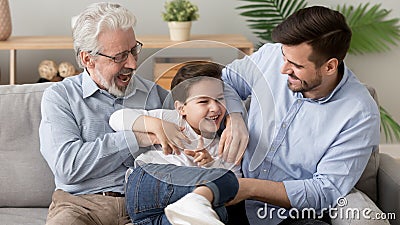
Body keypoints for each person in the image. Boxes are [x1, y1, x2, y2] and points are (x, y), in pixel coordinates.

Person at [39, 2, 247, 225]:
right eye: (119, 56)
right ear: (88, 59)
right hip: (79, 206)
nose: (132, 63)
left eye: (134, 50)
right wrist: (138, 136)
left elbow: (201, 113)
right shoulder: (60, 97)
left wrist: (234, 118)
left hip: (143, 207)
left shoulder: (154, 94)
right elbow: (68, 167)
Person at [222, 6, 380, 225]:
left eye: (296, 65)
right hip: (230, 198)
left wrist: (248, 188)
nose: (283, 69)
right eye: (284, 57)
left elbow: (325, 191)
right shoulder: (271, 55)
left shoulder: (360, 114)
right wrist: (235, 118)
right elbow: (225, 81)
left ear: (330, 66)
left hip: (290, 215)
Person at [109, 62, 241, 224]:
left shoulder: (223, 143)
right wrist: (157, 125)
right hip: (146, 184)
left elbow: (236, 183)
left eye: (220, 99)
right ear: (181, 108)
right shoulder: (172, 120)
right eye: (203, 102)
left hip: (163, 211)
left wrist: (211, 163)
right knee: (222, 183)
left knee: (218, 211)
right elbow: (116, 119)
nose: (215, 107)